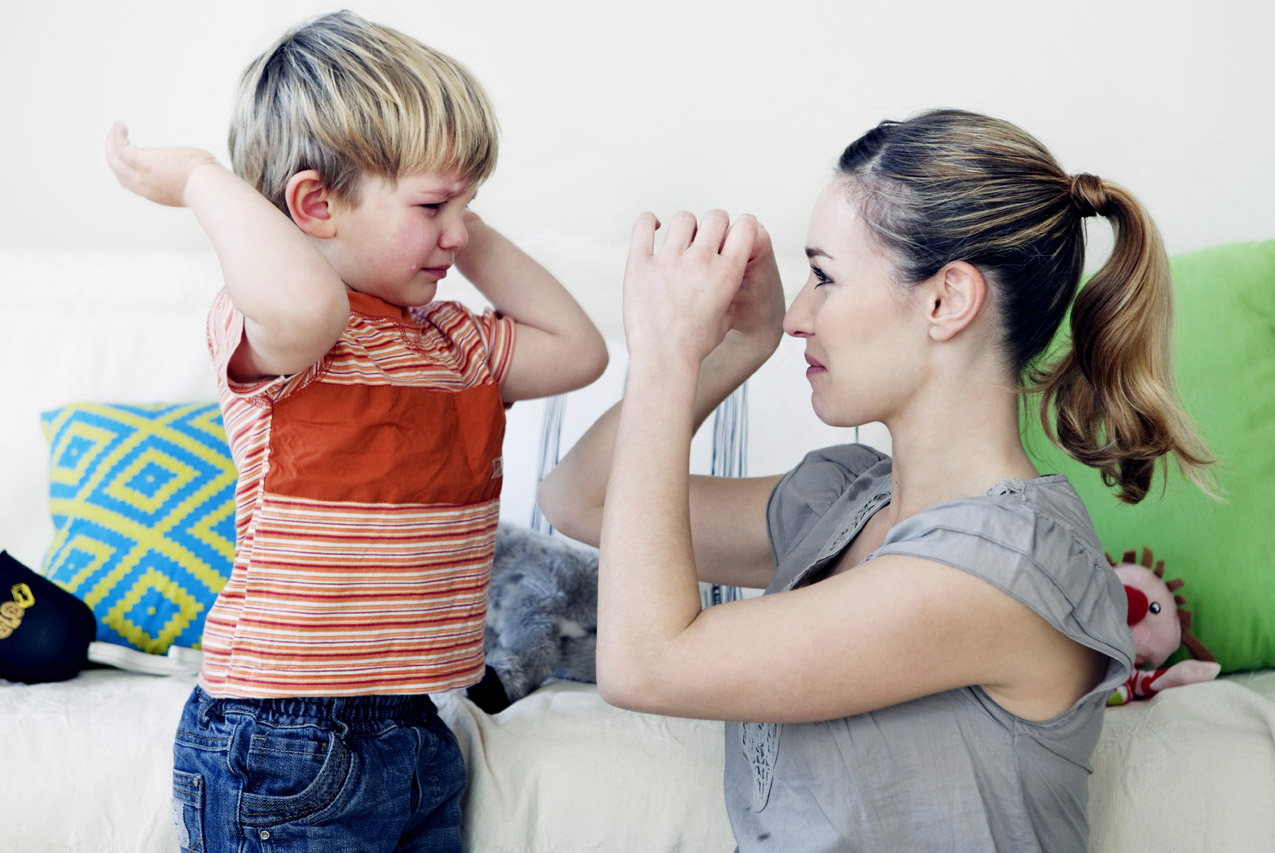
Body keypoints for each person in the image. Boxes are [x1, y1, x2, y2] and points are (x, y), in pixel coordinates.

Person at [536, 108, 1214, 851]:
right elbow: (578, 498)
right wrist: (735, 346)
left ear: (945, 300)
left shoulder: (1004, 569)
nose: (798, 316)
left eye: (824, 277)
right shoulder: (847, 499)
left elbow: (645, 664)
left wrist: (666, 355)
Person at [105, 11, 607, 852]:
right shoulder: (289, 333)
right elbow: (310, 302)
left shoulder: (453, 344)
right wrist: (201, 179)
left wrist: (458, 219)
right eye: (435, 205)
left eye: (470, 206)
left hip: (415, 723)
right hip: (282, 734)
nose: (458, 233)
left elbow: (579, 350)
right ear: (315, 203)